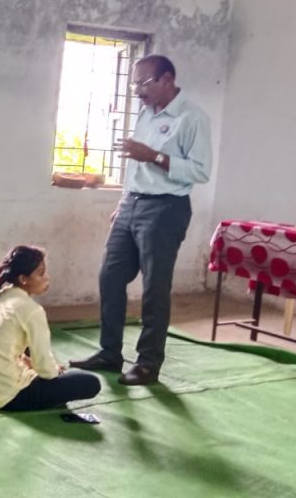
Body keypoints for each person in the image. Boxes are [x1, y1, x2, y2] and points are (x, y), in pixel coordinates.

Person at [70, 55, 212, 386]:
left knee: (154, 288)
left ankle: (148, 363)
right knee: (110, 277)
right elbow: (135, 166)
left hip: (166, 208)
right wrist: (123, 202)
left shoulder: (192, 118)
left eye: (143, 83)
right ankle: (110, 352)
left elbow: (200, 171)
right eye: (134, 84)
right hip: (131, 204)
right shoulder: (145, 114)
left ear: (168, 79)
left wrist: (154, 156)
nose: (137, 91)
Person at [0, 246, 101, 411]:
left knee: (35, 363)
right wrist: (54, 370)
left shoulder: (1, 295)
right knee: (90, 382)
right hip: (8, 396)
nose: (47, 278)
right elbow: (46, 371)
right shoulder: (32, 310)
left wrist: (28, 363)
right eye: (41, 273)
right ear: (23, 279)